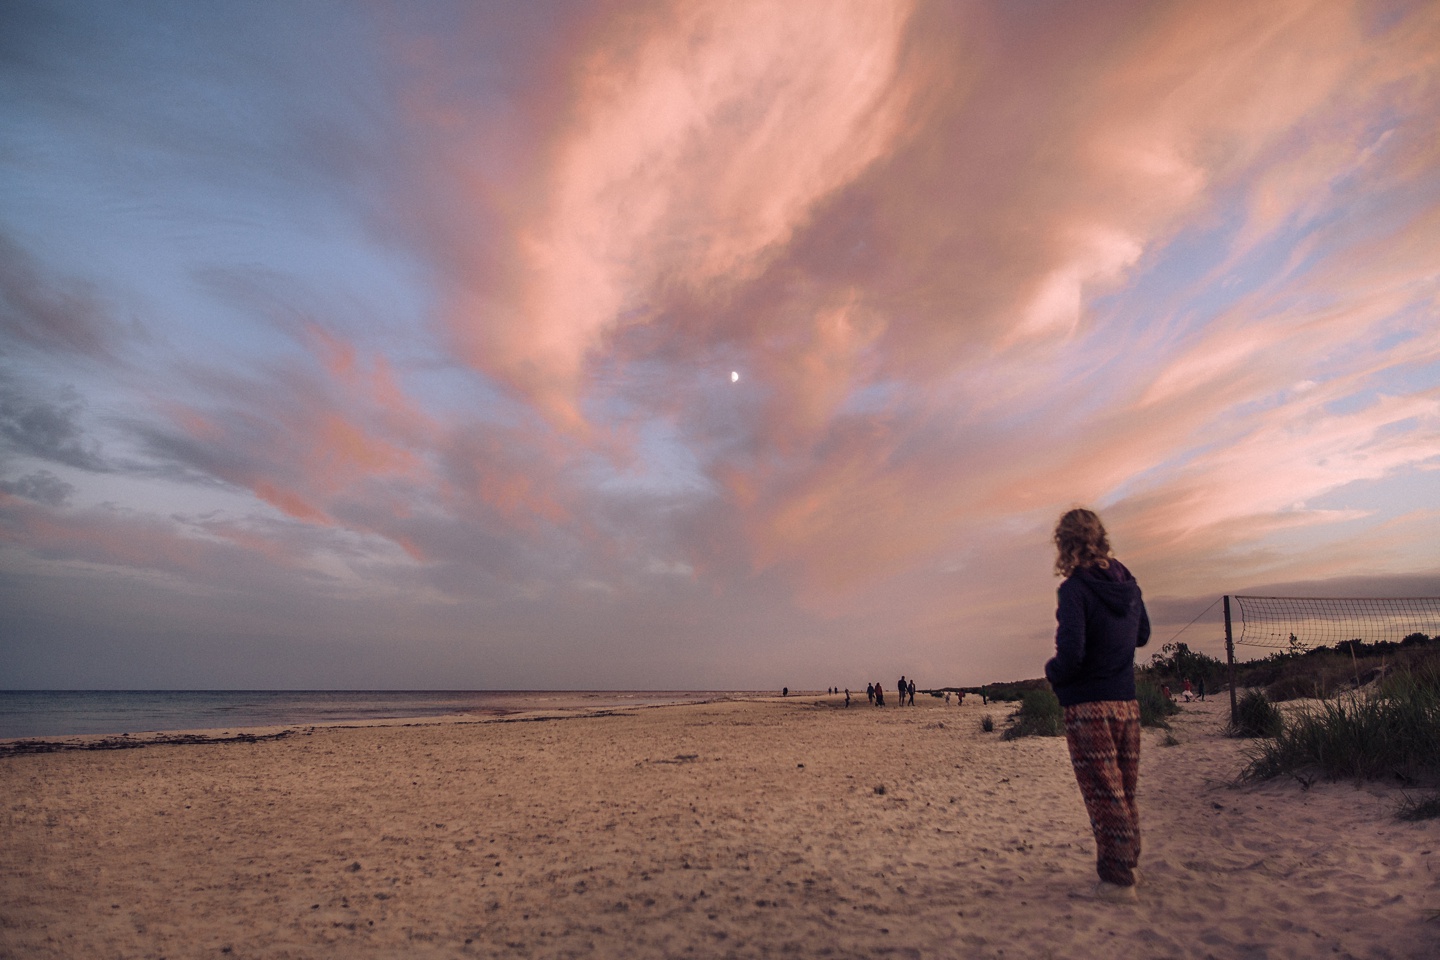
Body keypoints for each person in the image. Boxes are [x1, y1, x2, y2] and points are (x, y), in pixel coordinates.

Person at [1044, 507, 1150, 903]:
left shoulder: (1075, 588)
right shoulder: (1128, 582)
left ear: (1065, 543)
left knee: (1104, 793)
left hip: (1089, 706)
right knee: (1124, 790)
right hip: (1126, 704)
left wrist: (1053, 672)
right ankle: (1128, 865)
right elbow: (1143, 635)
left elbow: (1071, 652)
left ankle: (1117, 878)